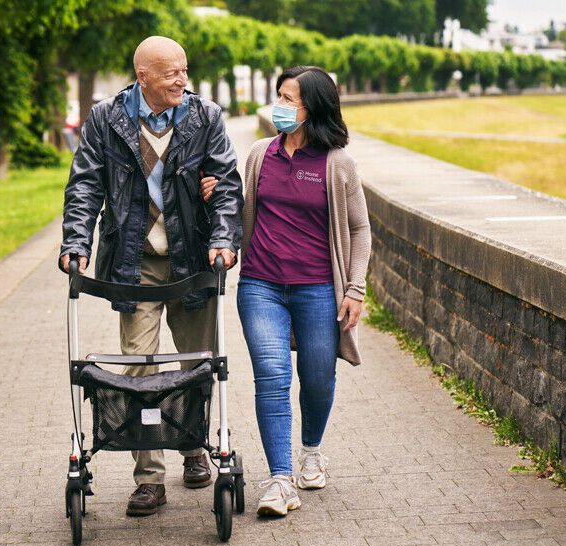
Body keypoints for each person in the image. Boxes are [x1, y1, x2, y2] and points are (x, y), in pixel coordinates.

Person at [59, 36, 243, 517]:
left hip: (192, 260)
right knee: (138, 367)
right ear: (143, 77)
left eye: (185, 70)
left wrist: (224, 237)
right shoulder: (106, 118)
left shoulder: (205, 117)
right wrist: (75, 243)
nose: (183, 80)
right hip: (134, 262)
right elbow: (84, 184)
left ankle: (194, 450)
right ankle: (149, 478)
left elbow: (226, 185)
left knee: (193, 362)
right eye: (171, 73)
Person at [200, 66, 371, 517]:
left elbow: (360, 229)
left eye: (288, 98)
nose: (279, 105)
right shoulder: (260, 154)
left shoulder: (338, 164)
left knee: (317, 378)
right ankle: (280, 480)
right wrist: (216, 195)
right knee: (272, 378)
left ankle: (311, 451)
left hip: (318, 288)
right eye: (279, 95)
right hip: (261, 284)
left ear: (311, 106)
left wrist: (355, 288)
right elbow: (241, 209)